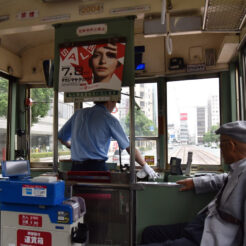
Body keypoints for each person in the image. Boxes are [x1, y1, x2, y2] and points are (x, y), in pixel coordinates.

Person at [140, 121, 246, 246]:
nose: (220, 150)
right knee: (149, 233)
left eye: (222, 144)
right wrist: (195, 182)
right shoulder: (238, 168)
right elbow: (224, 178)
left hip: (215, 236)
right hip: (203, 225)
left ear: (231, 146)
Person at [58, 100, 158, 179]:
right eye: (115, 102)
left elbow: (61, 137)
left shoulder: (78, 114)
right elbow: (129, 148)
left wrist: (72, 147)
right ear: (110, 101)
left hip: (76, 170)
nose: (114, 106)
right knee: (98, 202)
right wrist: (145, 165)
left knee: (78, 200)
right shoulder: (109, 119)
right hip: (96, 170)